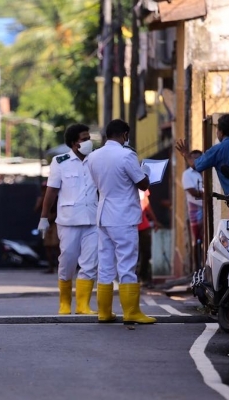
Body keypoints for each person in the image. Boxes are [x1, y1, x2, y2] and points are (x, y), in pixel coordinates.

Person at [86, 118, 155, 325]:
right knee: (127, 264)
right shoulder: (127, 155)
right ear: (125, 135)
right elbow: (143, 184)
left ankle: (104, 312)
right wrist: (147, 173)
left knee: (106, 265)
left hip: (103, 214)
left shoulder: (93, 157)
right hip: (123, 216)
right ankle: (131, 311)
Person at [37, 123, 98, 315]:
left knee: (90, 263)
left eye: (89, 138)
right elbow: (51, 191)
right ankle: (64, 303)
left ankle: (83, 305)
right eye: (84, 139)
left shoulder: (96, 160)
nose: (89, 142)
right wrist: (44, 217)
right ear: (74, 143)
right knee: (67, 261)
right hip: (68, 220)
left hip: (93, 219)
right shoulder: (60, 161)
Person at [175, 113, 229, 195]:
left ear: (221, 132)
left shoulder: (217, 150)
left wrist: (185, 153)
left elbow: (195, 165)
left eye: (217, 130)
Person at [182, 150, 204, 270]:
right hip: (195, 209)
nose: (195, 161)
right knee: (197, 239)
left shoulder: (205, 171)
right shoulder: (187, 174)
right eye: (193, 158)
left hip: (206, 207)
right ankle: (197, 268)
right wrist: (204, 193)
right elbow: (193, 192)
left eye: (198, 158)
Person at [34, 181, 60, 274]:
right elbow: (36, 210)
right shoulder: (42, 199)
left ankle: (59, 266)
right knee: (47, 246)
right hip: (46, 223)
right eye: (43, 189)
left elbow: (59, 210)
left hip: (55, 223)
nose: (45, 190)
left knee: (56, 245)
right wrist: (40, 201)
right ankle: (51, 267)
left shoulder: (56, 198)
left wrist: (52, 218)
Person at [137, 189, 160, 289]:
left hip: (143, 224)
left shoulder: (141, 183)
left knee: (146, 252)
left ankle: (144, 277)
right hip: (129, 224)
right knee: (131, 253)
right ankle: (133, 278)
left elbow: (146, 203)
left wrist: (154, 220)